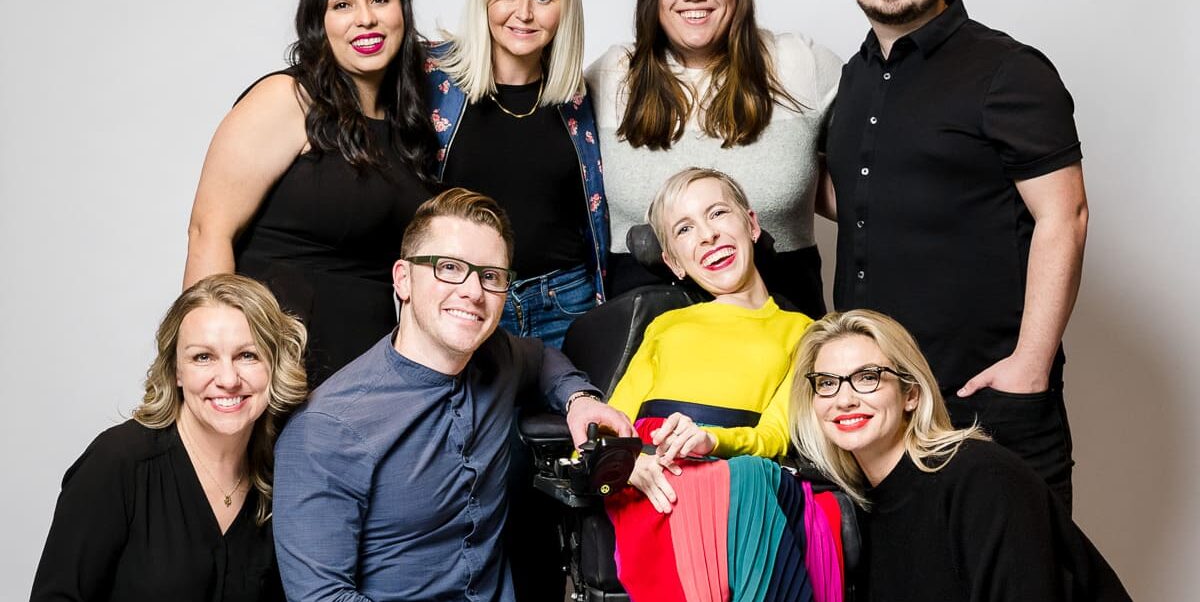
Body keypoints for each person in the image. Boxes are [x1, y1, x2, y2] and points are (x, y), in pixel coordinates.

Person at [822, 0, 1089, 507]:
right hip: (881, 418)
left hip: (987, 403)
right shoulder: (853, 81)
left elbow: (1066, 215)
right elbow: (856, 201)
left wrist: (1028, 366)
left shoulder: (1007, 71)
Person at [271, 188, 633, 602]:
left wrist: (580, 400)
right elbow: (321, 597)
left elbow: (543, 359)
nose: (473, 292)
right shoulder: (325, 430)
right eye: (449, 267)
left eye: (491, 276)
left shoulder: (497, 358)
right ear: (403, 279)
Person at [185, 0, 438, 386]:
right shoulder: (289, 99)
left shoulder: (410, 127)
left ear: (402, 11)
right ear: (319, 23)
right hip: (275, 375)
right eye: (342, 5)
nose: (366, 18)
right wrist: (207, 363)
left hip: (367, 386)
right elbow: (209, 230)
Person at [587, 0, 842, 317]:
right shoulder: (610, 77)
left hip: (784, 334)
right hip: (649, 343)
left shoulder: (799, 65)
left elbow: (875, 178)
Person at [604, 168, 841, 602]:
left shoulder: (805, 332)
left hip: (738, 467)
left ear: (751, 225)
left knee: (753, 478)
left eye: (717, 213)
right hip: (655, 474)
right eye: (685, 229)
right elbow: (608, 424)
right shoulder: (665, 325)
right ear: (674, 262)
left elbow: (774, 435)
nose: (708, 235)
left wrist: (712, 440)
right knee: (729, 482)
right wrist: (626, 463)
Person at [790, 309, 1130, 601]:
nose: (844, 399)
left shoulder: (981, 477)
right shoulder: (852, 511)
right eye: (827, 382)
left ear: (911, 394)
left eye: (867, 377)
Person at [31, 274, 307, 602]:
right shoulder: (118, 462)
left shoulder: (286, 473)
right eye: (203, 357)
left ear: (274, 365)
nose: (228, 379)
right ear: (176, 370)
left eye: (247, 355)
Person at [427, 0, 607, 350]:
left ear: (565, 7)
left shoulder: (580, 97)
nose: (523, 13)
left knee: (575, 414)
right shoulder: (432, 81)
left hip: (565, 303)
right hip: (465, 299)